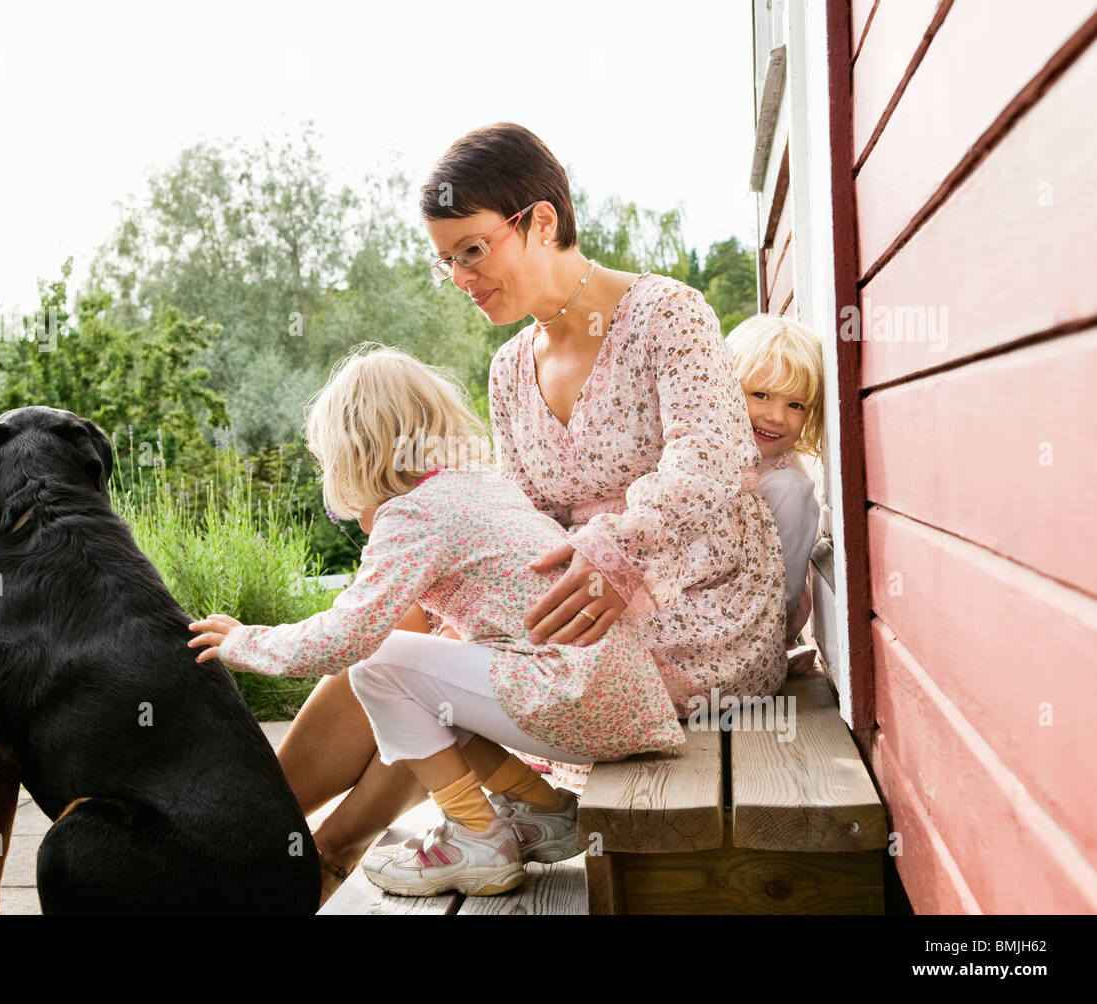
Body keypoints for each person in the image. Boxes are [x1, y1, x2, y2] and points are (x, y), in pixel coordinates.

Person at [262, 122, 786, 901]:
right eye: (446, 261)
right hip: (574, 604)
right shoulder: (510, 368)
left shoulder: (667, 313)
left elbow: (712, 459)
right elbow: (521, 516)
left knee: (411, 659)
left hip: (697, 606)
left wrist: (616, 551)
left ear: (540, 221)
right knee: (402, 627)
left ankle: (311, 852)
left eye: (472, 249)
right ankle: (264, 829)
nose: (460, 276)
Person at [189, 345, 684, 897]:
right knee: (427, 689)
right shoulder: (485, 488)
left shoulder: (414, 512)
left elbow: (347, 638)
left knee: (379, 665)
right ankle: (542, 807)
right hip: (616, 700)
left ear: (354, 451)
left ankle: (477, 837)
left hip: (575, 698)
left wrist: (246, 642)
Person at [726, 313, 824, 673]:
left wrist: (766, 645)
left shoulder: (785, 487)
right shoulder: (720, 458)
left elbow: (785, 589)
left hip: (751, 628)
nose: (777, 416)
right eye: (761, 395)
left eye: (795, 404)